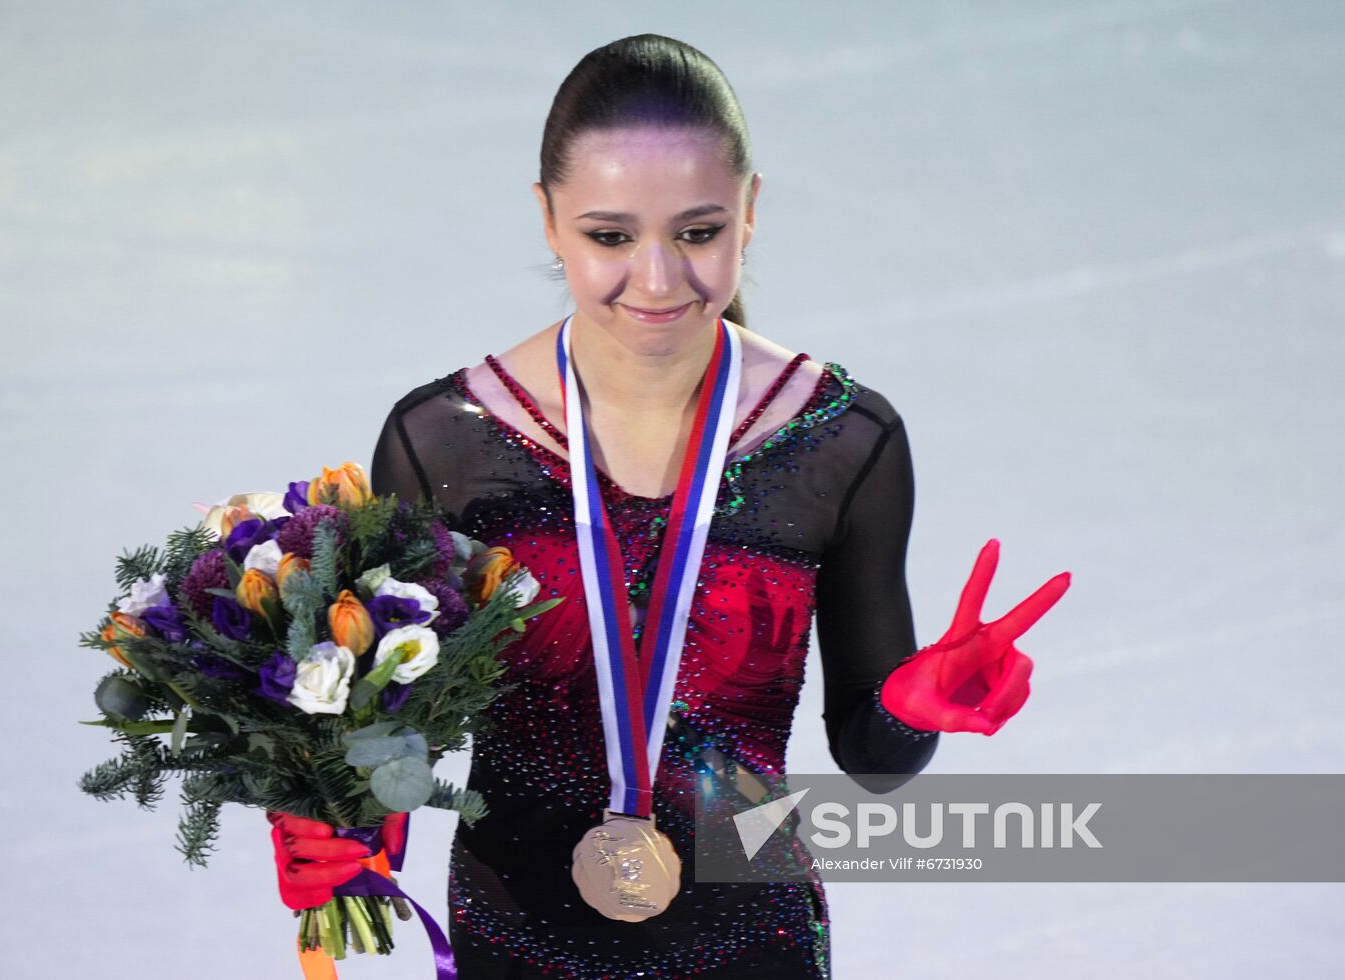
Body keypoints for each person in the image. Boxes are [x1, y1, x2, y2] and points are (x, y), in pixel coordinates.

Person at [274, 33, 1070, 979]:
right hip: (517, 940)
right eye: (609, 236)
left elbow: (872, 753)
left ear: (750, 210)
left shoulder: (841, 440)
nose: (656, 281)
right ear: (548, 219)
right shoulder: (444, 440)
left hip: (752, 945)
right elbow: (397, 721)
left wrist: (913, 710)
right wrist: (345, 833)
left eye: (699, 233)